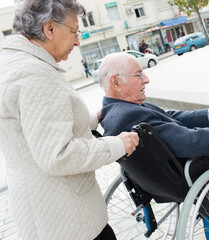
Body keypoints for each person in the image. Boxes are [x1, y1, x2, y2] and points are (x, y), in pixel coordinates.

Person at [0, 1, 139, 240]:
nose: (77, 41)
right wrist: (118, 144)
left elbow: (37, 126)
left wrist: (93, 119)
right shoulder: (35, 74)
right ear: (50, 29)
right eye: (74, 31)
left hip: (42, 214)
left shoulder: (13, 64)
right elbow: (59, 154)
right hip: (71, 221)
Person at [99, 53, 209, 161]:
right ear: (116, 82)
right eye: (138, 74)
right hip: (190, 164)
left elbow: (168, 118)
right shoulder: (130, 115)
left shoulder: (114, 112)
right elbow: (187, 141)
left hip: (167, 167)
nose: (146, 79)